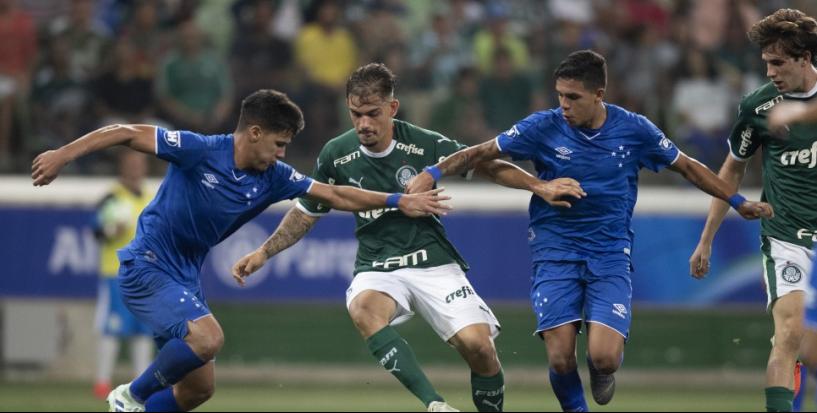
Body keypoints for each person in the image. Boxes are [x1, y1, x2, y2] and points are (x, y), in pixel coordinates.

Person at [31, 89, 450, 412]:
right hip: (148, 264)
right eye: (279, 143)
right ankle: (130, 397)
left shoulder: (273, 176)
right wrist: (61, 155)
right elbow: (124, 132)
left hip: (184, 275)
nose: (283, 154)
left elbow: (336, 194)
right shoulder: (199, 150)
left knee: (198, 389)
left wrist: (397, 201)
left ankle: (135, 405)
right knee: (208, 338)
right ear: (254, 133)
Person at [407, 50, 773, 412]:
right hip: (555, 249)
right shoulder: (543, 126)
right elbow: (481, 153)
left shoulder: (634, 129)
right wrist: (433, 173)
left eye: (573, 97)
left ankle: (602, 370)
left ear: (599, 94)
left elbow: (689, 167)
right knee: (561, 357)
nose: (564, 105)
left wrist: (739, 202)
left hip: (609, 251)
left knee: (604, 356)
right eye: (560, 96)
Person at [231, 63, 585, 413]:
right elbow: (306, 212)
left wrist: (539, 185)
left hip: (432, 261)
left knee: (480, 348)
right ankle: (435, 405)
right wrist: (264, 252)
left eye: (372, 113)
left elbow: (487, 164)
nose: (363, 124)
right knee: (364, 309)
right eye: (356, 114)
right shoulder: (336, 154)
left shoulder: (424, 144)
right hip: (378, 265)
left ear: (392, 108)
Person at [689, 9, 817, 412]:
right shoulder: (757, 107)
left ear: (804, 58)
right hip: (785, 236)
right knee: (789, 334)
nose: (771, 71)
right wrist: (706, 239)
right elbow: (731, 170)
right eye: (766, 63)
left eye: (778, 62)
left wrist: (800, 113)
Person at [92, 150, 154, 400]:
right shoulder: (112, 197)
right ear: (122, 166)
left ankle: (142, 384)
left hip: (146, 276)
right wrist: (111, 229)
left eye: (139, 163)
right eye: (130, 162)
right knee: (113, 328)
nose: (135, 168)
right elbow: (97, 232)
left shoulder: (151, 198)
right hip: (116, 274)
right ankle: (102, 382)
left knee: (144, 330)